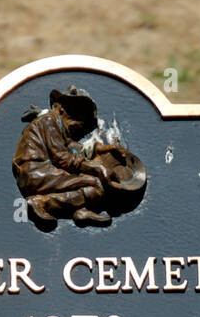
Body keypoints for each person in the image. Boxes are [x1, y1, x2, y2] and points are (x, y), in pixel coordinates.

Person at [12, 86, 120, 228]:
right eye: (77, 112)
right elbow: (63, 158)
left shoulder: (60, 129)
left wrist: (103, 148)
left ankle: (79, 211)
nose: (81, 120)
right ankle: (42, 203)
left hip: (39, 173)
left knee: (93, 186)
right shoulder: (49, 120)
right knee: (96, 184)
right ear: (60, 108)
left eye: (84, 115)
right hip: (36, 172)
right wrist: (97, 168)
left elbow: (74, 148)